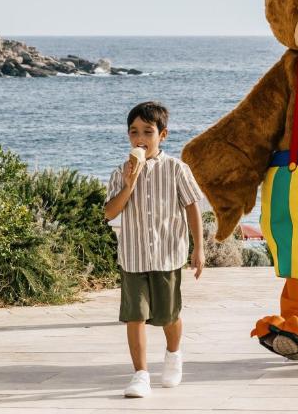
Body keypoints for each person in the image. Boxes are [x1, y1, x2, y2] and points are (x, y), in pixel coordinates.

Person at [104, 101, 205, 397]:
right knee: (134, 316)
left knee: (168, 315)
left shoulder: (176, 169)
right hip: (133, 258)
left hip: (167, 255)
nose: (140, 138)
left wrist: (199, 249)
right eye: (134, 132)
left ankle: (173, 354)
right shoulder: (119, 173)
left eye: (147, 132)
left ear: (162, 135)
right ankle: (141, 374)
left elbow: (192, 207)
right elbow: (110, 212)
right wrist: (129, 184)